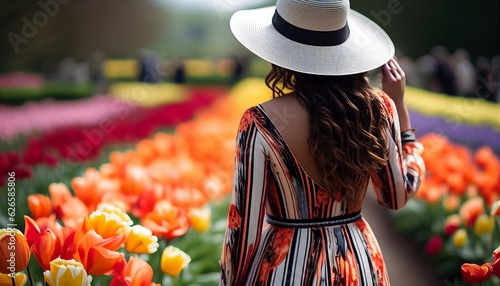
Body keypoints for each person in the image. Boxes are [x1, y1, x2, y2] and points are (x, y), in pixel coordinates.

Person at [219, 0, 426, 285]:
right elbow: (395, 196)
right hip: (358, 263)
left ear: (282, 49)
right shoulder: (379, 109)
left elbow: (244, 233)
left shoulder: (259, 122)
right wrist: (401, 112)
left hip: (285, 269)